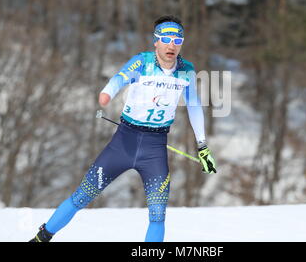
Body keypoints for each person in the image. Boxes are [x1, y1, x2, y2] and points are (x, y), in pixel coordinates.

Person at [30, 15, 217, 242]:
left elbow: (194, 105)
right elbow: (120, 78)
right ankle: (42, 237)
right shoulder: (142, 62)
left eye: (177, 40)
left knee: (158, 215)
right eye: (166, 39)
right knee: (82, 197)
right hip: (124, 143)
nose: (171, 45)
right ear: (156, 41)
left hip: (154, 148)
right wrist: (107, 93)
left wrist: (203, 146)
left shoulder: (186, 70)